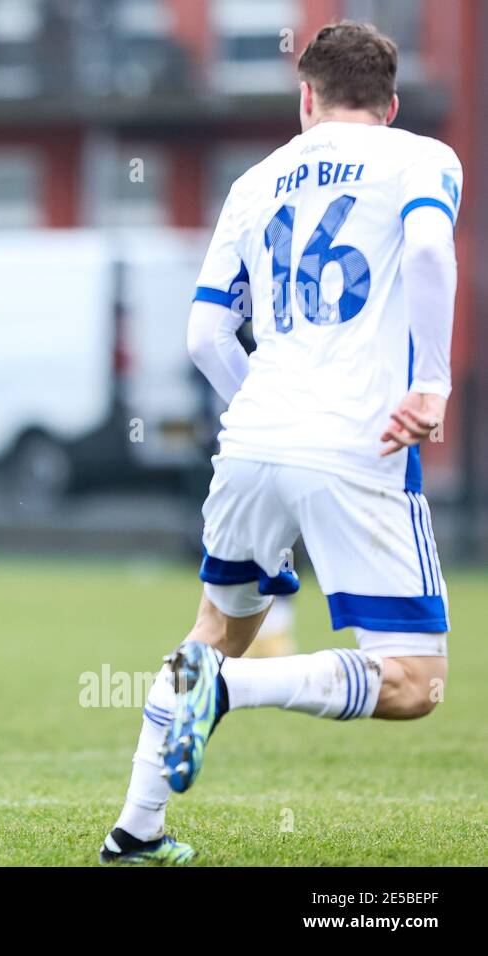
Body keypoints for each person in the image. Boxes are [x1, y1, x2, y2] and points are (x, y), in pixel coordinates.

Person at [100, 21, 460, 864]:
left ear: (307, 98)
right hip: (355, 443)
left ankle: (136, 831)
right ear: (392, 102)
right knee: (414, 683)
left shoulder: (255, 182)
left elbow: (203, 336)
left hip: (252, 440)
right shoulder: (422, 156)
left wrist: (261, 402)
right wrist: (433, 381)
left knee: (211, 631)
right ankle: (229, 693)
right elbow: (430, 246)